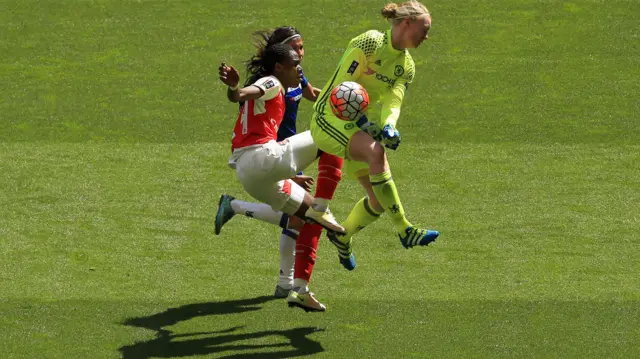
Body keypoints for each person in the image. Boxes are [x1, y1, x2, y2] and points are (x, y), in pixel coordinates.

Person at [287, 1, 440, 311]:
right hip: (329, 119)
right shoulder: (369, 43)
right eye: (424, 30)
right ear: (407, 22)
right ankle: (405, 229)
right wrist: (369, 127)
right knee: (376, 153)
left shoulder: (406, 66)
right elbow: (340, 90)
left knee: (377, 200)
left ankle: (344, 237)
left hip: (357, 126)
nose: (427, 36)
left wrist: (388, 127)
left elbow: (393, 102)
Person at [217, 36, 345, 308]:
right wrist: (236, 88)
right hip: (262, 157)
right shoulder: (272, 82)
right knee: (330, 132)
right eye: (294, 64)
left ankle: (298, 289)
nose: (299, 68)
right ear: (278, 67)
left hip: (251, 177)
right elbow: (242, 95)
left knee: (310, 215)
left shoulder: (283, 84)